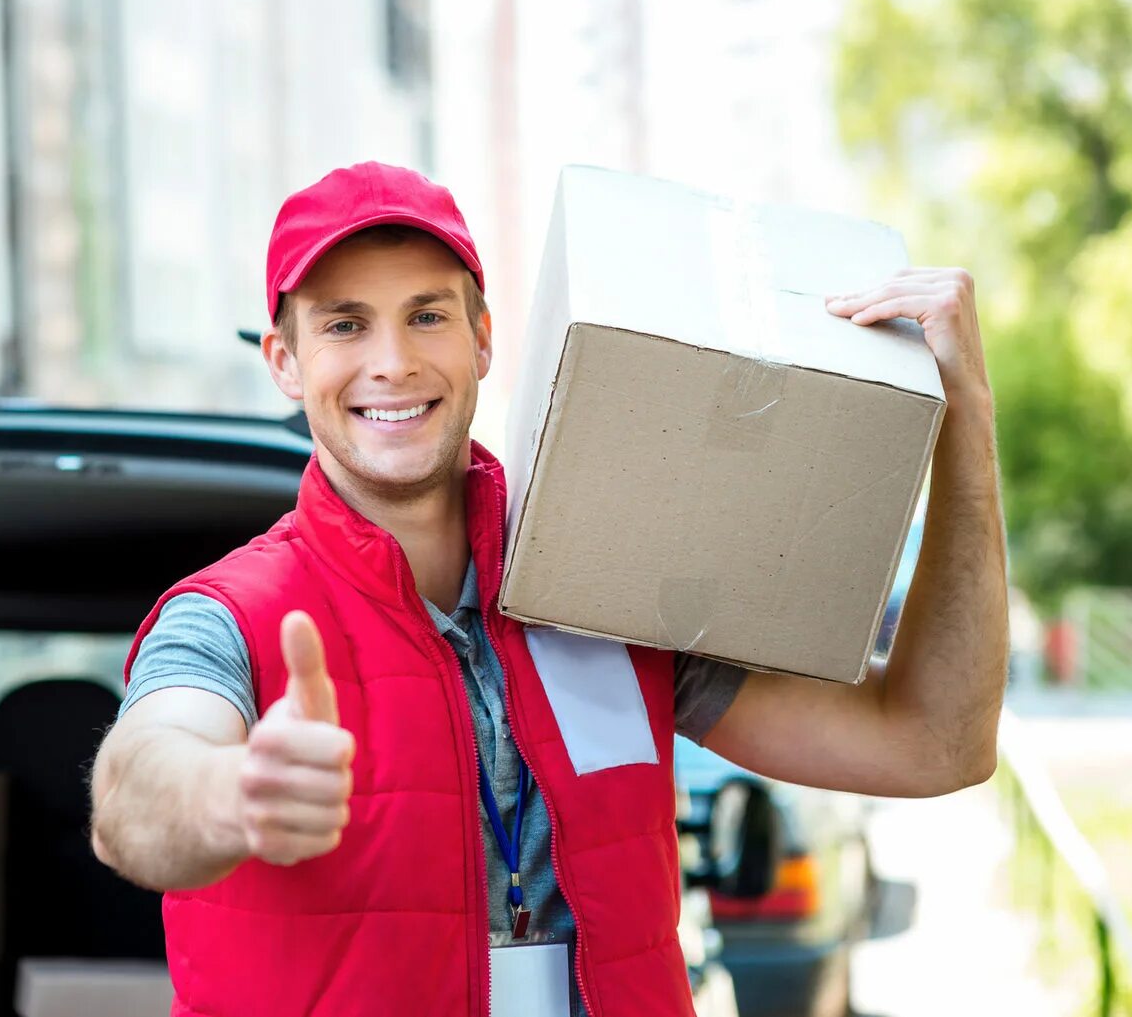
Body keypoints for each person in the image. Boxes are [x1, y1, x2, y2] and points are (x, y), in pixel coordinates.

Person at [90, 161, 1009, 1016]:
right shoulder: (229, 616)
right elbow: (136, 797)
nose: (393, 361)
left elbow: (932, 743)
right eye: (343, 324)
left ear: (484, 339)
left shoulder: (603, 586)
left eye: (427, 315)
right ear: (285, 362)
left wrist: (964, 423)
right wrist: (233, 792)